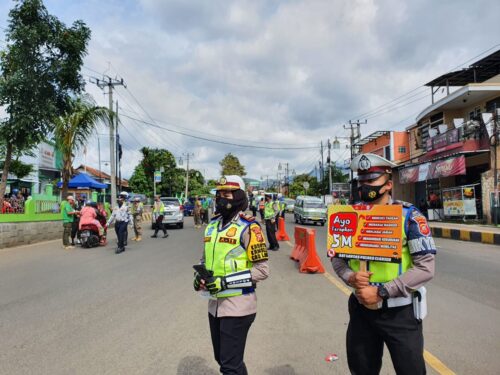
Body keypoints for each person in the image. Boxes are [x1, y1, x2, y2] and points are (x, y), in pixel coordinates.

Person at [331, 153, 436, 375]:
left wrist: (382, 292)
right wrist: (350, 276)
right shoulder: (347, 215)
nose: (364, 186)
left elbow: (425, 267)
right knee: (361, 370)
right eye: (361, 182)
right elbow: (337, 259)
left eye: (371, 181)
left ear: (388, 184)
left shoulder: (410, 216)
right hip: (361, 312)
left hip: (400, 313)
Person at [193, 175, 269, 375]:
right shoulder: (212, 225)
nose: (221, 198)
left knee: (229, 366)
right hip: (215, 305)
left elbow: (262, 270)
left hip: (239, 306)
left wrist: (225, 282)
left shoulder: (249, 227)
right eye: (219, 193)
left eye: (227, 193)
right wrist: (200, 277)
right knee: (224, 359)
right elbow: (205, 260)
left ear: (239, 196)